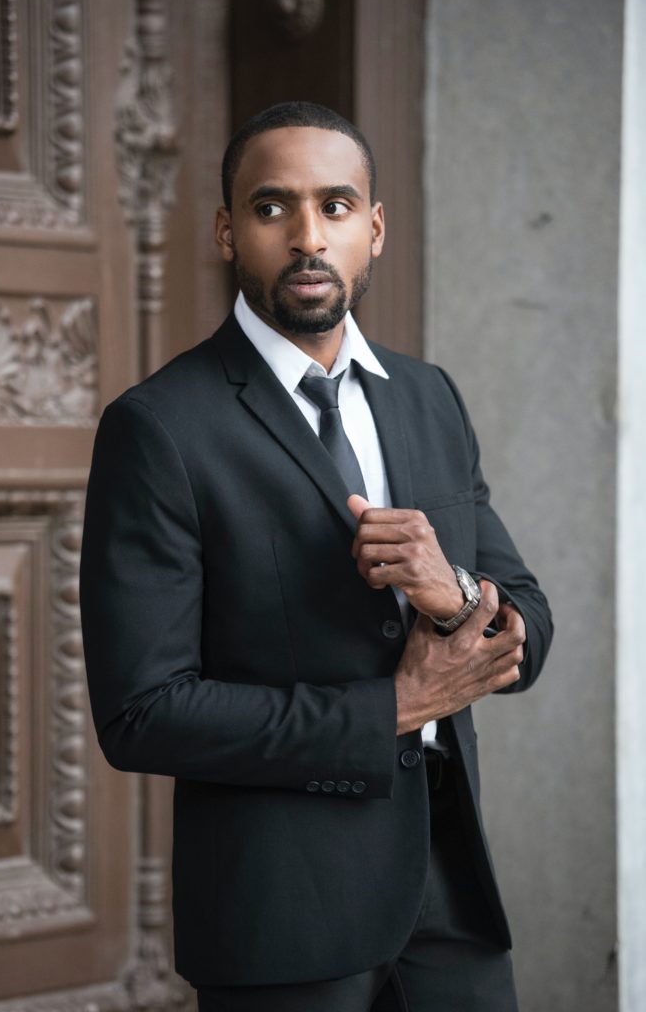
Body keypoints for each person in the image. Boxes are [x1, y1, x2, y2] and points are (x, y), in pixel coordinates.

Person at [80, 101, 553, 1012]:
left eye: (335, 207)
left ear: (374, 229)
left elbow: (530, 629)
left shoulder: (429, 397)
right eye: (272, 208)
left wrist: (454, 594)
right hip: (282, 917)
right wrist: (393, 709)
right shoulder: (158, 427)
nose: (307, 237)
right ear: (228, 231)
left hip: (452, 900)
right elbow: (142, 712)